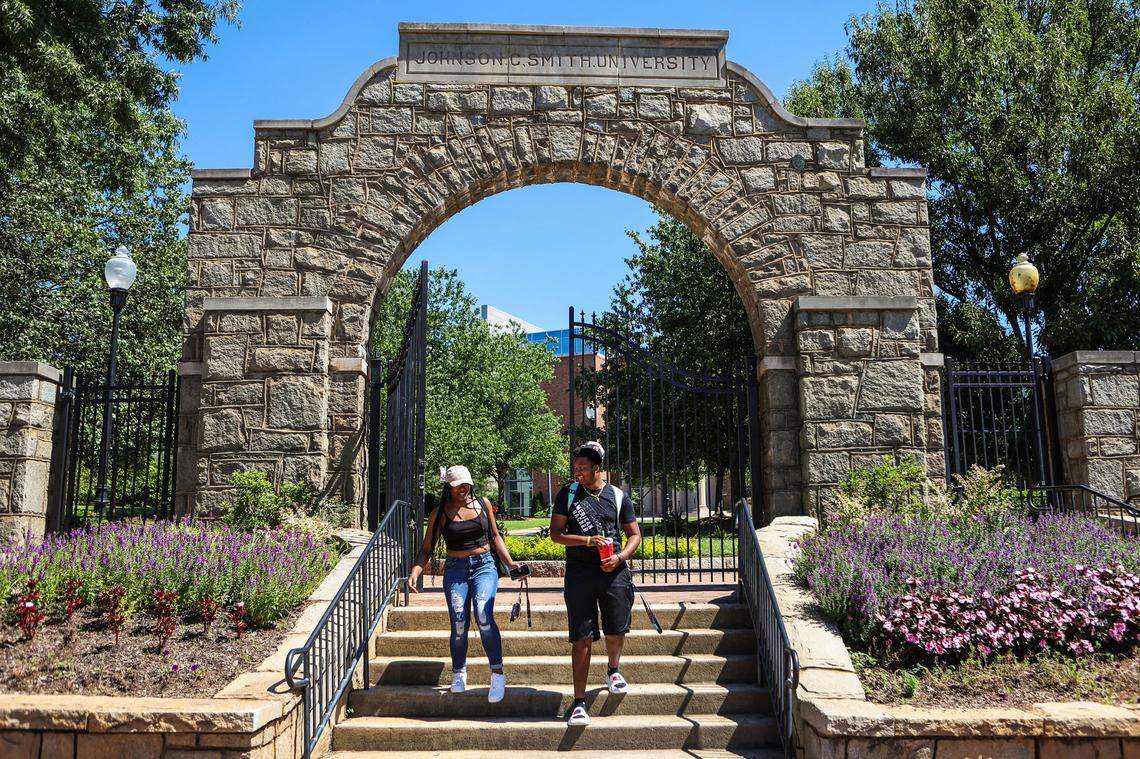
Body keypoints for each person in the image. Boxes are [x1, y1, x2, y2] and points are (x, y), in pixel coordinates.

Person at [408, 465, 520, 703]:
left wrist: (510, 564)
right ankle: (459, 672)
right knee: (459, 621)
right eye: (458, 485)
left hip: (484, 566)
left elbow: (496, 536)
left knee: (483, 614)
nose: (463, 488)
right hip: (455, 570)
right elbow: (427, 548)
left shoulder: (483, 504)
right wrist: (416, 571)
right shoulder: (440, 513)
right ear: (448, 487)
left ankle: (497, 674)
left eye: (466, 484)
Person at [550, 442, 641, 726]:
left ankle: (613, 669)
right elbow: (556, 534)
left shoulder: (616, 495)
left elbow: (634, 535)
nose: (577, 471)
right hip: (579, 573)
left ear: (597, 468)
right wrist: (587, 541)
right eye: (575, 467)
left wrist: (621, 556)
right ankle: (579, 703)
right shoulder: (568, 494)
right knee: (581, 638)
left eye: (583, 468)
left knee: (616, 628)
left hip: (613, 571)